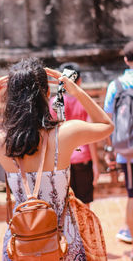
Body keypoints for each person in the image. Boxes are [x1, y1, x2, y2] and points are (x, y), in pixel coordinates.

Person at [0, 58, 114, 260]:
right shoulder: (65, 133)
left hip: (22, 243)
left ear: (10, 98)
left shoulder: (0, 141)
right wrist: (75, 91)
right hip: (64, 241)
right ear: (47, 94)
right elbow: (107, 125)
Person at [49, 63, 99, 207]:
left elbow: (51, 135)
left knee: (65, 205)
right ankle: (84, 230)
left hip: (62, 160)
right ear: (80, 81)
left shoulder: (54, 103)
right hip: (83, 158)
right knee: (84, 205)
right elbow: (92, 137)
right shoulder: (85, 102)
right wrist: (96, 164)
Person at [104, 41, 133, 258]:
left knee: (132, 196)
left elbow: (108, 119)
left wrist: (108, 148)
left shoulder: (117, 85)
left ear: (125, 59)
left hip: (128, 151)